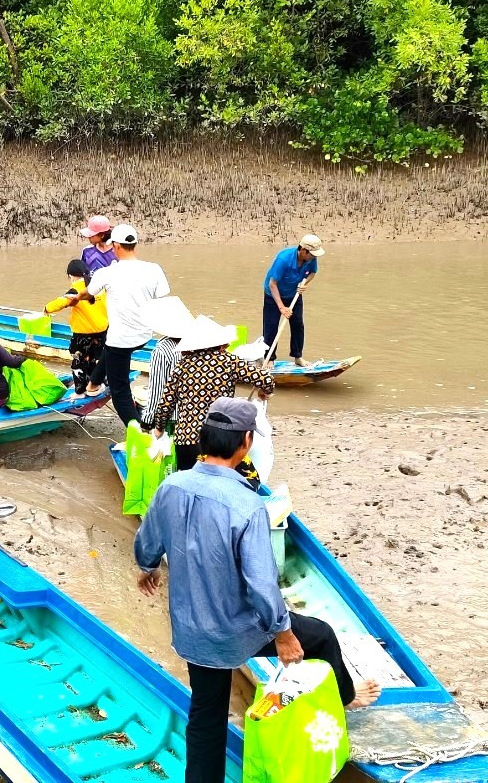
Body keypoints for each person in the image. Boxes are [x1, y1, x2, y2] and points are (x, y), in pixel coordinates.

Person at [134, 398, 381, 783]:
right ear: (245, 442)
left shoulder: (171, 485)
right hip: (237, 627)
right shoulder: (246, 504)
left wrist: (147, 567)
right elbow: (261, 582)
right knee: (319, 635)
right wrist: (283, 634)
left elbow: (148, 537)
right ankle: (346, 698)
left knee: (206, 715)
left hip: (193, 628)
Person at [66, 224, 169, 425]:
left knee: (119, 389)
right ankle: (93, 384)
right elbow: (163, 298)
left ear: (116, 246)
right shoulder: (154, 269)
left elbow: (90, 292)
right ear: (134, 244)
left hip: (121, 340)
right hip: (144, 335)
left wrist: (78, 296)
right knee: (109, 350)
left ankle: (139, 430)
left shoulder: (107, 273)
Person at [154, 315, 275, 471]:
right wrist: (264, 392)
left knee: (191, 484)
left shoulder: (182, 366)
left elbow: (166, 403)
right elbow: (266, 379)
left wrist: (159, 428)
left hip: (186, 439)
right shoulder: (229, 361)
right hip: (218, 437)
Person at [44, 259, 107, 396]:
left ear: (70, 276)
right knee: (96, 359)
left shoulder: (75, 290)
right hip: (102, 331)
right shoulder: (99, 286)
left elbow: (61, 302)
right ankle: (96, 385)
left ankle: (80, 390)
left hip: (83, 335)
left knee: (79, 362)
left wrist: (47, 309)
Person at [262, 234, 324, 366]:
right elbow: (273, 284)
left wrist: (304, 283)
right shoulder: (283, 259)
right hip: (273, 294)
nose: (314, 257)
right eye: (311, 254)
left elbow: (312, 273)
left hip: (294, 294)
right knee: (271, 326)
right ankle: (269, 358)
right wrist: (282, 307)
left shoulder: (311, 259)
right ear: (303, 250)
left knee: (298, 325)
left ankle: (298, 357)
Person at [138, 296, 194, 429]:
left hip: (171, 417)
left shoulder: (162, 350)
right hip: (195, 414)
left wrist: (148, 419)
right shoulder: (198, 344)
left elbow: (157, 390)